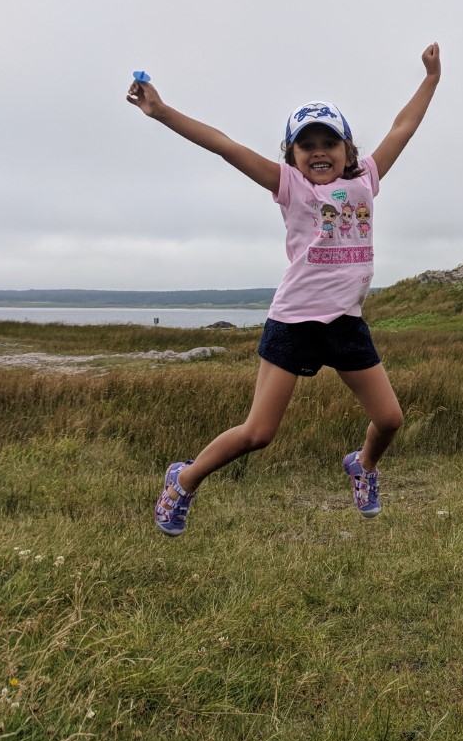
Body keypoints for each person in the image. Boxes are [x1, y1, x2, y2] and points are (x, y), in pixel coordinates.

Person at [125, 43, 442, 536]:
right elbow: (223, 144)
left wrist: (431, 79)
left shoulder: (366, 181)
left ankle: (363, 466)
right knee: (259, 433)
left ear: (348, 150)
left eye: (329, 143)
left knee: (391, 419)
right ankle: (182, 481)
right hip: (294, 321)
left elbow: (403, 127)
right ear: (293, 156)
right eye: (306, 145)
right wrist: (161, 111)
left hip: (345, 324)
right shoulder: (290, 186)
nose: (319, 151)